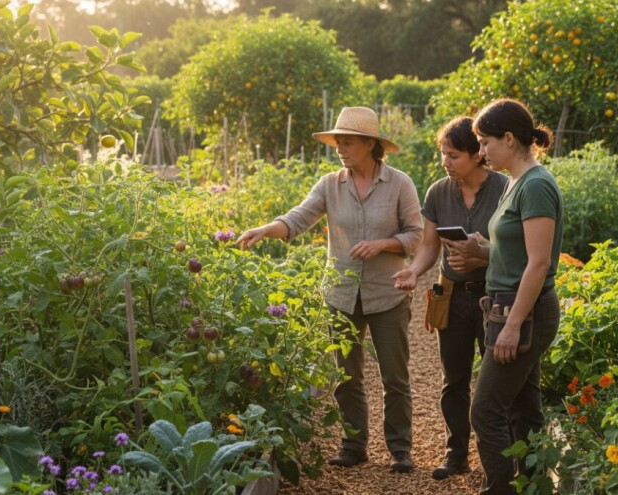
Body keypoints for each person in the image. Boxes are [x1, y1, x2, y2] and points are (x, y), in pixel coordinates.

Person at [236, 107, 423, 473]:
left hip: (387, 295)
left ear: (371, 145)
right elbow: (297, 218)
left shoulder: (400, 183)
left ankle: (400, 449)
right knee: (346, 376)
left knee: (395, 376)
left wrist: (383, 244)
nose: (340, 149)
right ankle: (354, 445)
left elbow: (416, 235)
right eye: (338, 142)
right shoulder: (330, 184)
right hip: (340, 294)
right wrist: (264, 229)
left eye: (348, 142)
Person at [392, 117, 507, 480]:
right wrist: (414, 269)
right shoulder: (439, 192)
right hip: (454, 295)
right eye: (443, 154)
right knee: (453, 380)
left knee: (496, 382)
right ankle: (456, 454)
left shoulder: (505, 188)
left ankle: (500, 463)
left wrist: (482, 254)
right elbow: (429, 246)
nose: (445, 162)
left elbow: (516, 248)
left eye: (454, 155)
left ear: (478, 154)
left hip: (495, 296)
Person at [468, 99, 563, 494]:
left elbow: (539, 264)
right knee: (525, 410)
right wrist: (483, 249)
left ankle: (502, 490)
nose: (481, 151)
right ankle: (534, 487)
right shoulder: (517, 183)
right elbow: (519, 251)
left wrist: (511, 326)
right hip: (510, 306)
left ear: (509, 139)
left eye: (485, 141)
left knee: (485, 409)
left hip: (525, 312)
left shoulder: (537, 186)